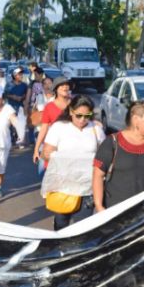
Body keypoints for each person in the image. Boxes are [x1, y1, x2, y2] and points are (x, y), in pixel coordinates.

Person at [42, 95, 106, 230]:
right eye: (79, 115)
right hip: (63, 187)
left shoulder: (96, 129)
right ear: (71, 111)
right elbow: (46, 153)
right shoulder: (59, 127)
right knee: (61, 226)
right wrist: (49, 154)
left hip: (87, 187)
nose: (82, 120)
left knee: (82, 227)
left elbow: (104, 155)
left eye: (87, 116)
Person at [33, 76, 73, 165]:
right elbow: (44, 128)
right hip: (53, 147)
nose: (65, 87)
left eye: (67, 85)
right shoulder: (49, 107)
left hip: (71, 147)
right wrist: (36, 149)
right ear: (56, 89)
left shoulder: (75, 104)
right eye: (62, 85)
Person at [6, 67, 29, 146]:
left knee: (19, 124)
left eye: (21, 74)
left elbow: (27, 95)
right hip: (11, 107)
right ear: (14, 75)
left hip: (20, 107)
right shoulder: (9, 84)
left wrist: (22, 97)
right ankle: (11, 139)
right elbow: (5, 94)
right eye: (19, 74)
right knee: (10, 124)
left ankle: (18, 139)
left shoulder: (24, 85)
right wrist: (13, 97)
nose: (21, 76)